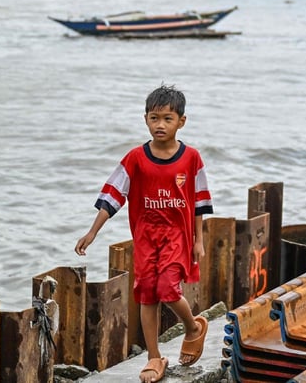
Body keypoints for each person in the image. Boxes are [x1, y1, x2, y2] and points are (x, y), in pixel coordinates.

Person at [75, 85, 212, 383]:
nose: (160, 125)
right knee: (147, 295)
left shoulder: (192, 159)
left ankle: (192, 327)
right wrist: (92, 232)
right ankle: (153, 356)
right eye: (154, 118)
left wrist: (198, 239)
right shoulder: (135, 158)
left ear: (182, 121)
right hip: (146, 238)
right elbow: (113, 195)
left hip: (178, 236)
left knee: (167, 288)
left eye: (167, 118)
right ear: (145, 120)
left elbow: (200, 200)